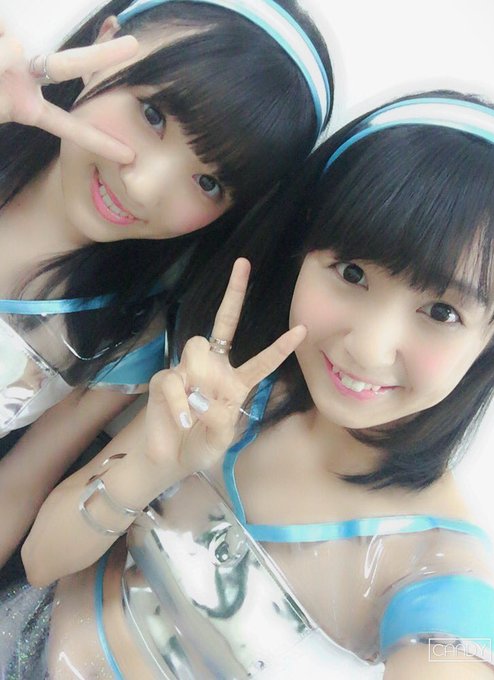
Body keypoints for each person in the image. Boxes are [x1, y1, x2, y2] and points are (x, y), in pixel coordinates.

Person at [11, 92, 494, 678]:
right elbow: (40, 560)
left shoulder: (441, 572)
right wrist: (151, 466)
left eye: (443, 313)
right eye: (352, 274)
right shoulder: (229, 391)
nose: (369, 348)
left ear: (493, 337)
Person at [0, 0, 334, 569]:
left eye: (208, 182)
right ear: (103, 43)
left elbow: (15, 490)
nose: (145, 186)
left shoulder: (126, 335)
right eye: (153, 114)